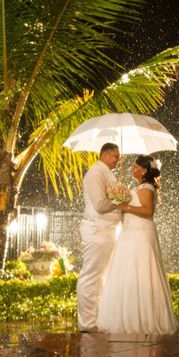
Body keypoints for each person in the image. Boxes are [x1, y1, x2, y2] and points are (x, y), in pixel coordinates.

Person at [97, 154, 178, 335]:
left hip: (140, 234)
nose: (132, 169)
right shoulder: (140, 186)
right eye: (132, 166)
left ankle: (143, 319)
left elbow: (148, 211)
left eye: (135, 167)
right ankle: (129, 315)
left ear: (144, 170)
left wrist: (123, 207)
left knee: (141, 270)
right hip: (130, 233)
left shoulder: (146, 187)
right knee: (128, 272)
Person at [77, 142, 122, 333]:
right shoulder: (96, 173)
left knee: (102, 277)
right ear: (105, 155)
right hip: (97, 230)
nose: (118, 160)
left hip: (106, 230)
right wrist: (122, 199)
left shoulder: (106, 173)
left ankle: (98, 319)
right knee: (91, 276)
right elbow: (101, 205)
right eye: (115, 156)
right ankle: (87, 323)